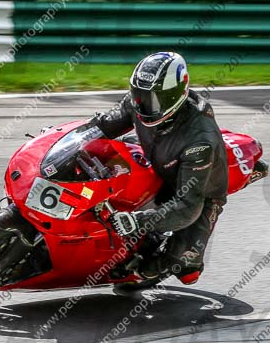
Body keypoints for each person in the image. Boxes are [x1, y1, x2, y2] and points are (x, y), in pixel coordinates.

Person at [92, 51, 228, 285]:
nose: (143, 104)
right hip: (157, 162)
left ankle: (162, 262)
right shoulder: (139, 102)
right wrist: (65, 134)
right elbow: (104, 124)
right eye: (139, 95)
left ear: (176, 94)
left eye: (152, 98)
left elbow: (187, 207)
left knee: (185, 270)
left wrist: (138, 221)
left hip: (197, 192)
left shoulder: (199, 141)